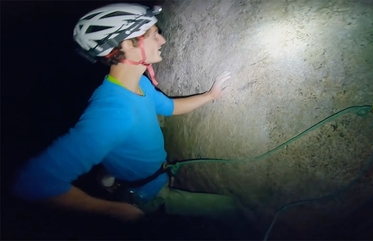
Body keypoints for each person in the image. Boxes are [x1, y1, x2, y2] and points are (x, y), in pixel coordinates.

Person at [12, 2, 257, 232]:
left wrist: (210, 95)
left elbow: (169, 107)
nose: (162, 39)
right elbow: (33, 183)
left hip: (155, 177)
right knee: (229, 207)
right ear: (127, 45)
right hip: (146, 195)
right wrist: (114, 210)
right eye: (152, 34)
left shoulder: (139, 82)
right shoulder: (113, 113)